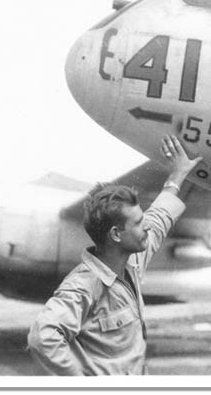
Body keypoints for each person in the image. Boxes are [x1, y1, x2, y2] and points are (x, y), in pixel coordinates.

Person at [27, 135, 201, 375]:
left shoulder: (132, 260)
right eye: (139, 223)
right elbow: (43, 338)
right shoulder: (83, 286)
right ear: (116, 234)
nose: (147, 227)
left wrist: (176, 176)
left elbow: (159, 217)